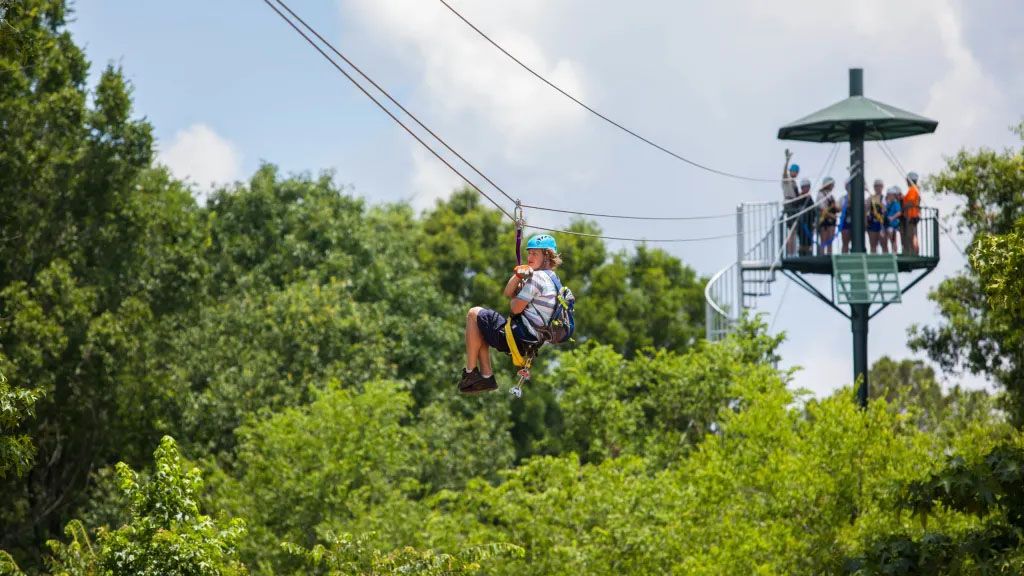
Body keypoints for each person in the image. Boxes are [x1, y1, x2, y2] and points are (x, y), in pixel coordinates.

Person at [459, 234, 563, 395]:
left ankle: (471, 372)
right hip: (528, 340)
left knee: (474, 314)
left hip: (518, 336)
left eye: (535, 253)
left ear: (547, 256)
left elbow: (515, 308)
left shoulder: (538, 277)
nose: (529, 257)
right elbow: (508, 292)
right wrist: (518, 275)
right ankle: (486, 377)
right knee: (481, 327)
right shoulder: (554, 280)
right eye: (529, 253)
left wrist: (518, 295)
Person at [781, 150, 800, 256]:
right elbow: (784, 173)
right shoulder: (787, 180)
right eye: (794, 171)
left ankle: (792, 251)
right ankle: (789, 252)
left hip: (794, 204)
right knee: (791, 229)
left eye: (796, 172)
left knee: (793, 230)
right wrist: (787, 161)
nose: (796, 174)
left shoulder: (794, 182)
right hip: (789, 203)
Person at [816, 177, 839, 255]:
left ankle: (830, 255)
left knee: (830, 240)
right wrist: (831, 216)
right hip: (824, 220)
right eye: (832, 184)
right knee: (824, 240)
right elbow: (822, 208)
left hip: (831, 221)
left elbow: (835, 207)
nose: (833, 186)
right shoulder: (820, 194)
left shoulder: (831, 195)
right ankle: (822, 256)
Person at [902, 171, 922, 255]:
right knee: (912, 234)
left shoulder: (913, 190)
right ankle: (913, 251)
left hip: (912, 215)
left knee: (912, 235)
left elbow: (910, 202)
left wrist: (903, 204)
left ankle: (914, 252)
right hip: (913, 215)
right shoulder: (915, 189)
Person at [867, 178, 887, 253]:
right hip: (873, 223)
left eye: (879, 186)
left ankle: (886, 262)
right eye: (876, 186)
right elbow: (866, 209)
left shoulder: (885, 198)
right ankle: (872, 262)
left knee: (884, 244)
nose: (878, 188)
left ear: (882, 187)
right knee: (873, 245)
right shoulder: (870, 198)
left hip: (882, 224)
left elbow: (885, 210)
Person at [884, 185, 902, 254]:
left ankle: (895, 253)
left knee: (893, 241)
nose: (888, 196)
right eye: (888, 195)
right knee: (889, 240)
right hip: (888, 225)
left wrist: (892, 218)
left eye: (890, 195)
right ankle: (890, 253)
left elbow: (899, 212)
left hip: (893, 225)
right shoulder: (888, 204)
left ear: (893, 195)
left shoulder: (896, 203)